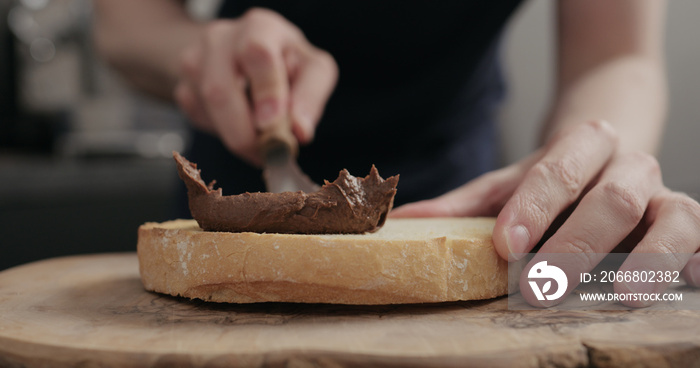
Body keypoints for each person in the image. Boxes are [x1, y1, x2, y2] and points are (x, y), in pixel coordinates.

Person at [94, 0, 700, 306]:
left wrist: (588, 162)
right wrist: (198, 53)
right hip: (238, 174)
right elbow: (126, 23)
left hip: (465, 194)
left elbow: (615, 53)